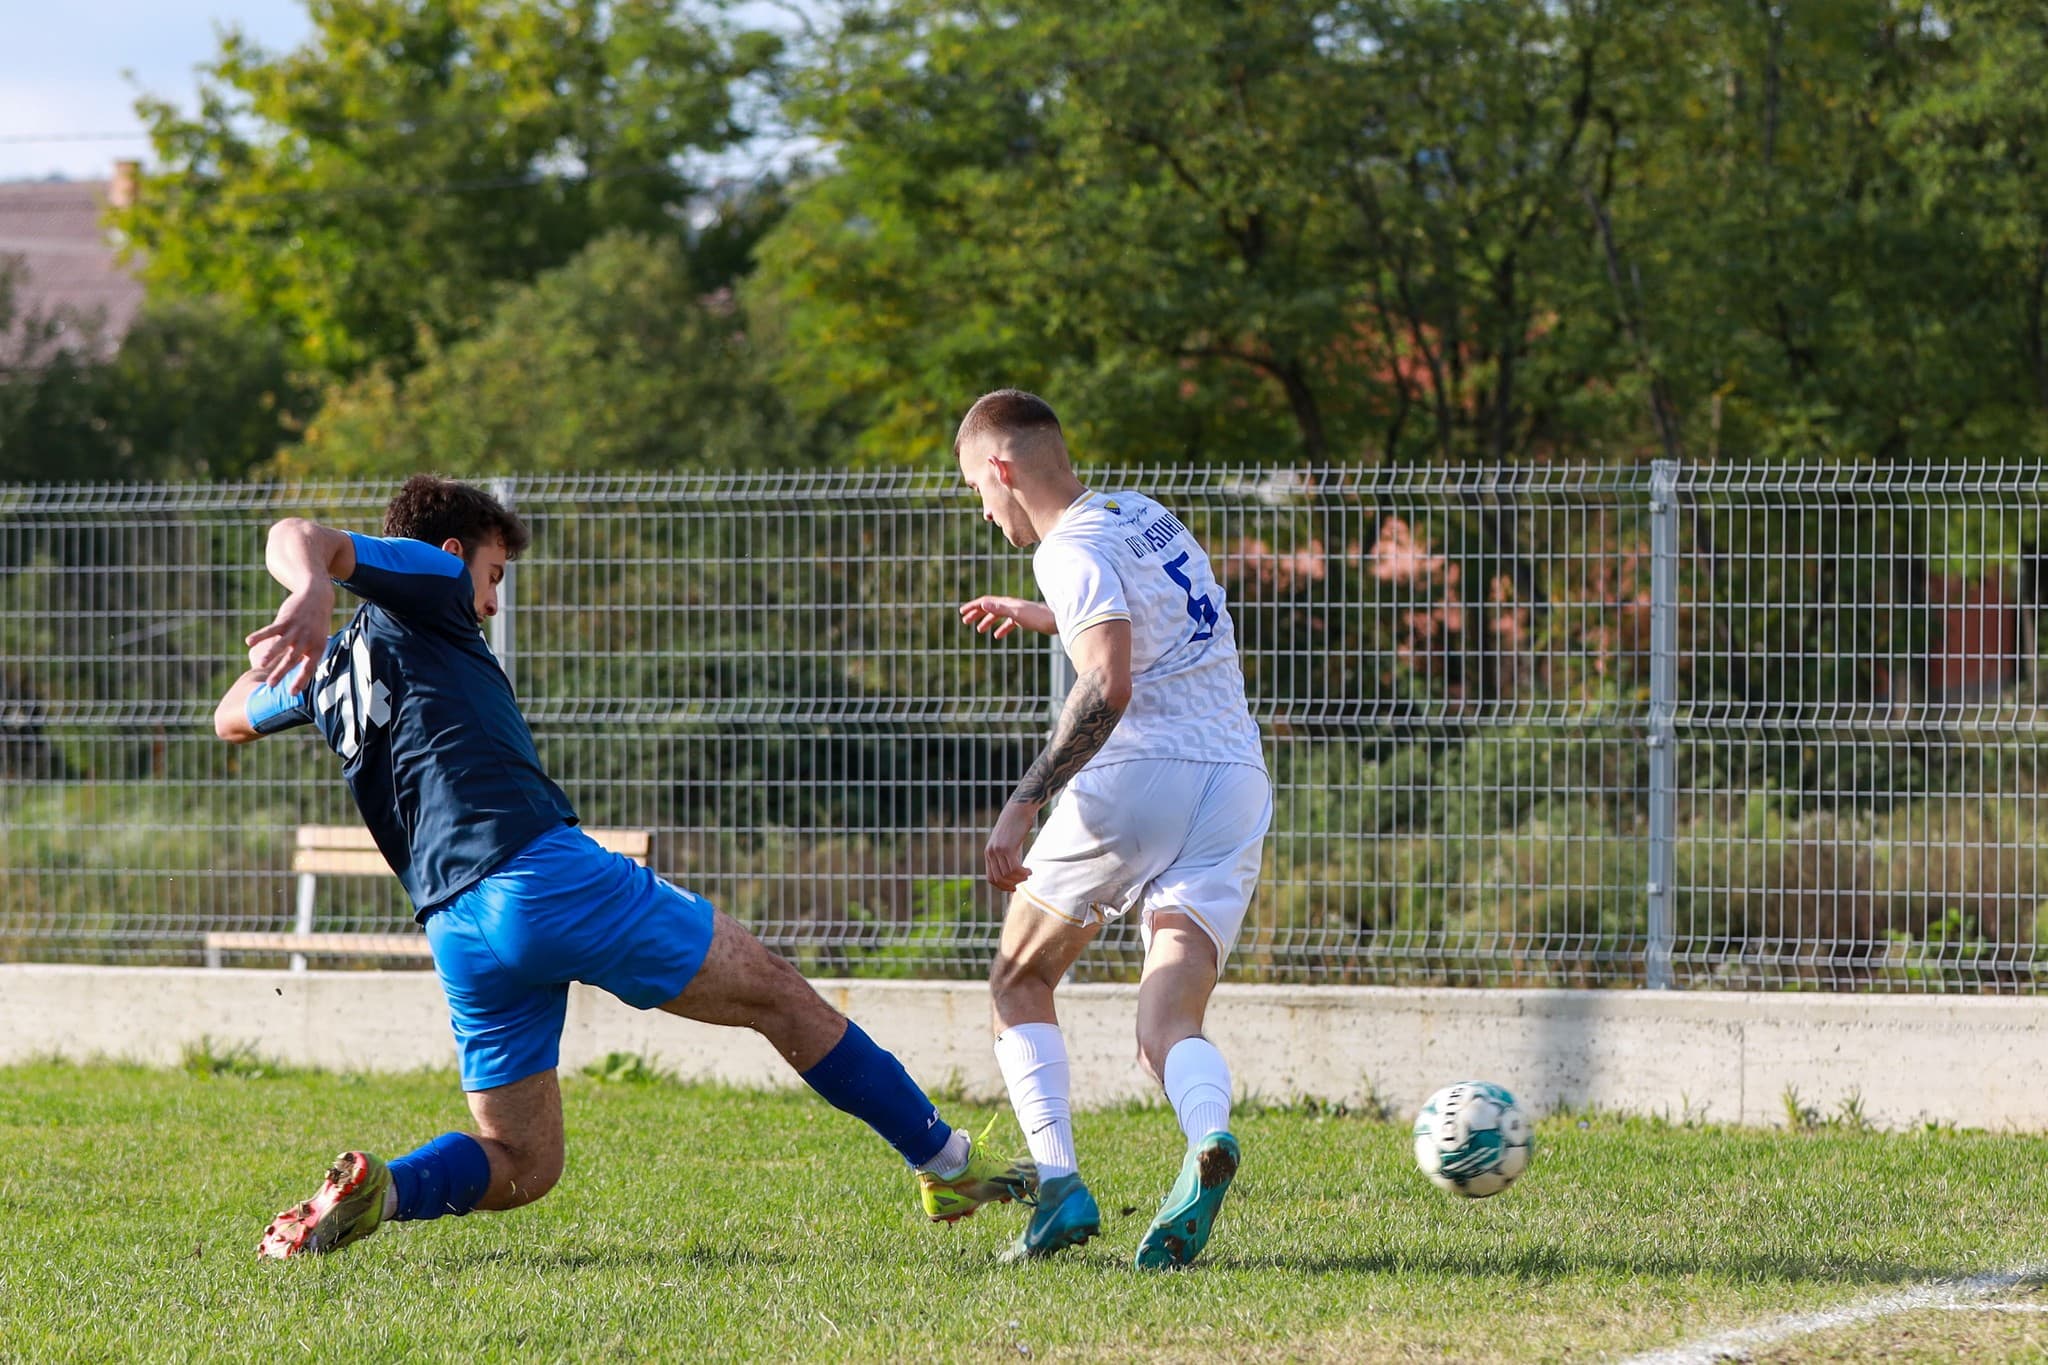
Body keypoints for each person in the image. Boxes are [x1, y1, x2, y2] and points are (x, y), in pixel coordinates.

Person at [214, 474, 1033, 1259]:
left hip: (455, 926)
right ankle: (948, 1165)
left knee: (523, 1162)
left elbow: (229, 719)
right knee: (782, 995)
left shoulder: (331, 669)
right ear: (453, 551)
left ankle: (382, 1192)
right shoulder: (433, 579)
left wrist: (303, 646)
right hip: (540, 874)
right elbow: (299, 534)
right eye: (493, 574)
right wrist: (313, 587)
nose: (492, 600)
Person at [953, 390, 1272, 1270]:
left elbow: (1108, 686)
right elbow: (1157, 627)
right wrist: (1042, 615)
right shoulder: (1141, 515)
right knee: (1166, 1021)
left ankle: (1057, 1187)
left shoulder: (1068, 546)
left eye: (977, 487)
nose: (983, 509)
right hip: (1235, 781)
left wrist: (1025, 800)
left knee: (1018, 976)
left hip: (1142, 776)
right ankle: (1208, 1136)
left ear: (1003, 469)